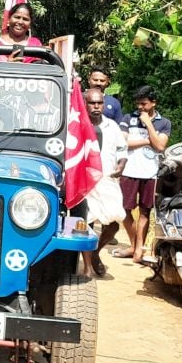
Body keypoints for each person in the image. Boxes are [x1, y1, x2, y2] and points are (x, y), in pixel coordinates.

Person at [114, 86, 171, 263]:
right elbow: (122, 142)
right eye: (138, 104)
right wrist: (148, 141)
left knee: (145, 211)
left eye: (144, 104)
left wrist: (148, 124)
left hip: (151, 173)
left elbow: (160, 146)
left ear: (154, 103)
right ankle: (134, 245)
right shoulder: (128, 118)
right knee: (124, 210)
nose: (140, 107)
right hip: (129, 171)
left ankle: (139, 249)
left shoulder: (164, 123)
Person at [80, 88, 128, 277]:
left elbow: (122, 149)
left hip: (108, 180)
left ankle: (95, 252)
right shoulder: (78, 125)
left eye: (99, 103)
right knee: (86, 223)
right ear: (85, 104)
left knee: (115, 222)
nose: (96, 106)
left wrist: (121, 164)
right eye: (92, 103)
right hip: (85, 182)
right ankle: (87, 267)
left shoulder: (112, 126)